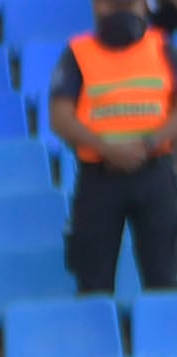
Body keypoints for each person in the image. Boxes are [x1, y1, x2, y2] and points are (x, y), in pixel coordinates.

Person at [54, 0, 177, 294]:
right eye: (112, 5)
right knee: (93, 280)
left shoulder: (162, 48)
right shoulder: (78, 53)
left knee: (166, 279)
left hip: (155, 176)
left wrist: (147, 145)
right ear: (96, 7)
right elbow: (60, 116)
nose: (120, 13)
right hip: (99, 179)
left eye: (130, 5)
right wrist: (108, 149)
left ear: (146, 8)